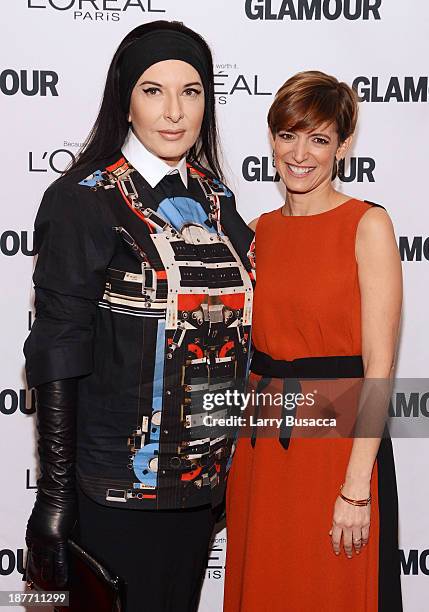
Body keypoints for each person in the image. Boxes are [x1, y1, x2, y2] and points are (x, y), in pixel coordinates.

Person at [22, 20, 254, 612]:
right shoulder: (84, 198)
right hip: (116, 488)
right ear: (124, 101)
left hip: (204, 488)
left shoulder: (215, 197)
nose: (175, 111)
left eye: (192, 91)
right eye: (154, 91)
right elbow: (57, 348)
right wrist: (54, 497)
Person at [223, 70, 403, 611]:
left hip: (336, 454)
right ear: (272, 139)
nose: (300, 153)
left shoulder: (366, 224)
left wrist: (356, 487)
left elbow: (380, 366)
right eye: (288, 135)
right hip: (262, 454)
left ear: (343, 146)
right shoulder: (258, 231)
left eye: (319, 138)